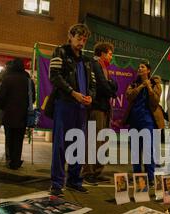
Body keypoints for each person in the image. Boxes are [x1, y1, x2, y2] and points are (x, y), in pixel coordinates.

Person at [49, 24, 96, 196]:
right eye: (78, 38)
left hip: (82, 108)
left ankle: (74, 180)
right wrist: (72, 92)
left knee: (77, 146)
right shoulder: (60, 52)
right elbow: (54, 76)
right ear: (70, 36)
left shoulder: (87, 61)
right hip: (64, 104)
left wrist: (90, 96)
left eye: (84, 40)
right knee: (60, 145)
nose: (81, 42)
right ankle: (56, 183)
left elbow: (93, 85)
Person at [82, 42, 118, 186]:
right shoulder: (95, 64)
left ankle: (97, 171)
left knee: (103, 142)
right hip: (96, 107)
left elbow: (112, 85)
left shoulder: (104, 67)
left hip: (104, 107)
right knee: (93, 141)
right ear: (102, 53)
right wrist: (111, 89)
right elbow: (104, 86)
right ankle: (87, 172)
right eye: (110, 54)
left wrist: (111, 86)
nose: (111, 57)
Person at [124, 63, 164, 186]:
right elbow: (129, 96)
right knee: (135, 150)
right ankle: (137, 176)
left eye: (142, 67)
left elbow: (155, 101)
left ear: (148, 70)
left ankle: (150, 177)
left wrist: (149, 88)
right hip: (134, 121)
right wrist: (141, 86)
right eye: (139, 67)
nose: (139, 69)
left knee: (148, 150)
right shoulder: (134, 84)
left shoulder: (155, 84)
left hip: (148, 121)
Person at [0, 58, 35, 170]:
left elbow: (1, 97)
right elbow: (33, 98)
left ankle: (10, 160)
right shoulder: (28, 80)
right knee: (19, 139)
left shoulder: (7, 79)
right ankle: (16, 161)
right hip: (23, 115)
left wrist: (4, 106)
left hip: (9, 114)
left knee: (9, 138)